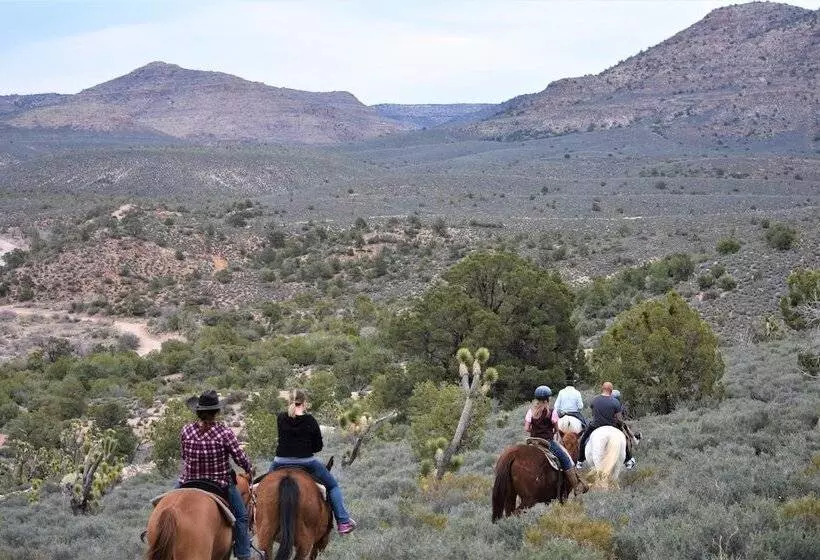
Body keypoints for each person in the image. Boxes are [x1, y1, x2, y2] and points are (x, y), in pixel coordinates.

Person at [179, 390, 255, 560]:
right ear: (216, 412)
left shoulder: (186, 430)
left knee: (165, 503)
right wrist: (249, 468)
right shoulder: (224, 433)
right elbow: (240, 458)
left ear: (197, 412)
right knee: (241, 516)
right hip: (219, 484)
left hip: (188, 482)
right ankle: (243, 554)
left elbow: (184, 456)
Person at [269, 389, 356, 535]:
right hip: (306, 462)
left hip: (280, 461)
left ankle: (253, 521)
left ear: (289, 402)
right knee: (333, 486)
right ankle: (343, 522)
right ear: (304, 403)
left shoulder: (281, 418)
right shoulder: (310, 420)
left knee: (261, 485)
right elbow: (318, 447)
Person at [524, 385, 587, 494]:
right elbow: (556, 429)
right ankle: (576, 486)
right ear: (548, 399)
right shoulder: (551, 412)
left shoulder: (531, 411)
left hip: (532, 441)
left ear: (536, 399)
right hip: (547, 442)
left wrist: (534, 430)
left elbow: (526, 428)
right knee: (566, 459)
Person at [576, 382, 635, 469]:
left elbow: (593, 413)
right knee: (624, 439)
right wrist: (621, 424)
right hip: (612, 426)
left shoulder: (594, 400)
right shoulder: (615, 402)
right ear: (611, 390)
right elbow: (619, 418)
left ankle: (580, 460)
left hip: (596, 425)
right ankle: (628, 459)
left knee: (583, 439)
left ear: (602, 389)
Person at [612, 389, 637, 469]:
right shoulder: (620, 405)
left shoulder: (607, 403)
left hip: (604, 423)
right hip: (616, 424)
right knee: (626, 439)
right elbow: (623, 417)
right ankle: (628, 458)